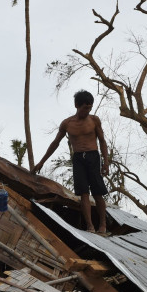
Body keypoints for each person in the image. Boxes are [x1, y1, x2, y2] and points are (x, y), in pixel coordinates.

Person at [32, 90, 109, 234]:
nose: (88, 110)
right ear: (77, 106)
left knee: (98, 192)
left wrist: (106, 162)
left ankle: (103, 225)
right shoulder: (67, 124)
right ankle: (90, 226)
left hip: (93, 156)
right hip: (78, 158)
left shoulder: (94, 120)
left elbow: (103, 141)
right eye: (85, 107)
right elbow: (55, 143)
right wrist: (42, 162)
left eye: (90, 107)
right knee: (83, 193)